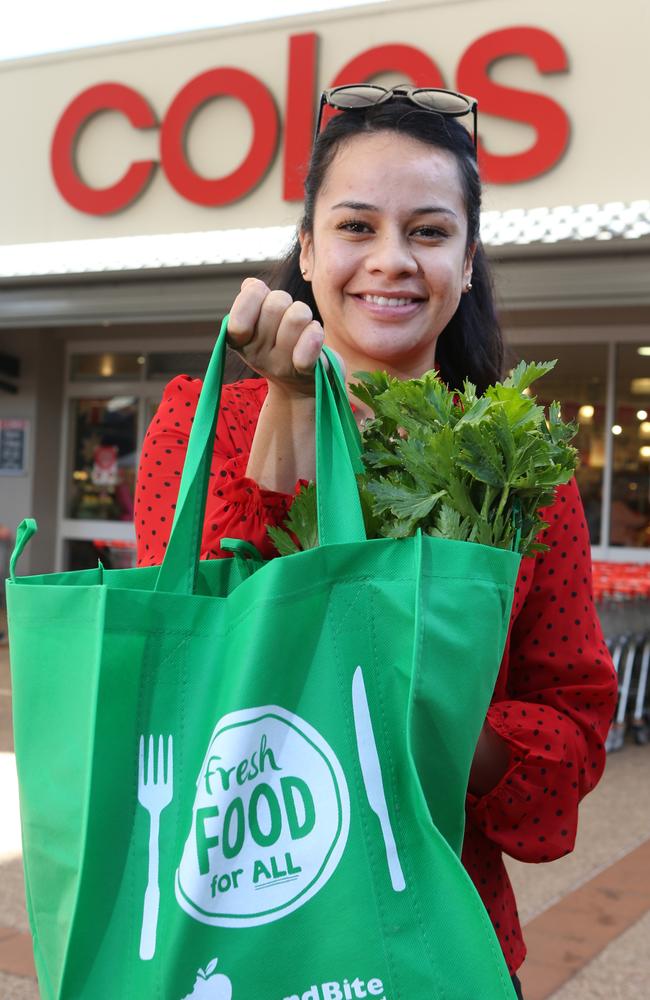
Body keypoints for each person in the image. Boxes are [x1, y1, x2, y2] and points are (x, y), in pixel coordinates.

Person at [135, 87, 618, 998]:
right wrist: (287, 405)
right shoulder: (208, 423)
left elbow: (574, 726)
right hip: (241, 940)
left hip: (437, 936)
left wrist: (434, 718)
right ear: (309, 250)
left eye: (429, 232)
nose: (391, 261)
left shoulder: (518, 469)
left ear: (468, 262)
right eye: (357, 226)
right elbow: (196, 652)